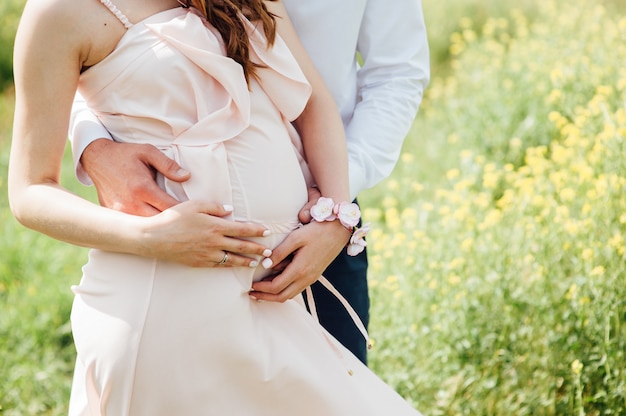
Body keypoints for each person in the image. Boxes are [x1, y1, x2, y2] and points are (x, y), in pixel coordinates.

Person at [9, 0, 422, 414]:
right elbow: (31, 187)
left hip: (295, 266)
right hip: (171, 292)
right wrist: (143, 225)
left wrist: (335, 212)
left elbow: (323, 98)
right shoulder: (57, 13)